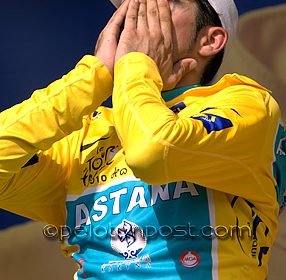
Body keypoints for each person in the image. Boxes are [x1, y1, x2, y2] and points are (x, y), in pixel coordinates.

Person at [0, 0, 285, 279]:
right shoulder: (90, 134)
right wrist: (92, 77)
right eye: (133, 3)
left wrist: (135, 64)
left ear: (210, 40)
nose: (139, 11)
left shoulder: (247, 105)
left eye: (168, 3)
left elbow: (151, 151)